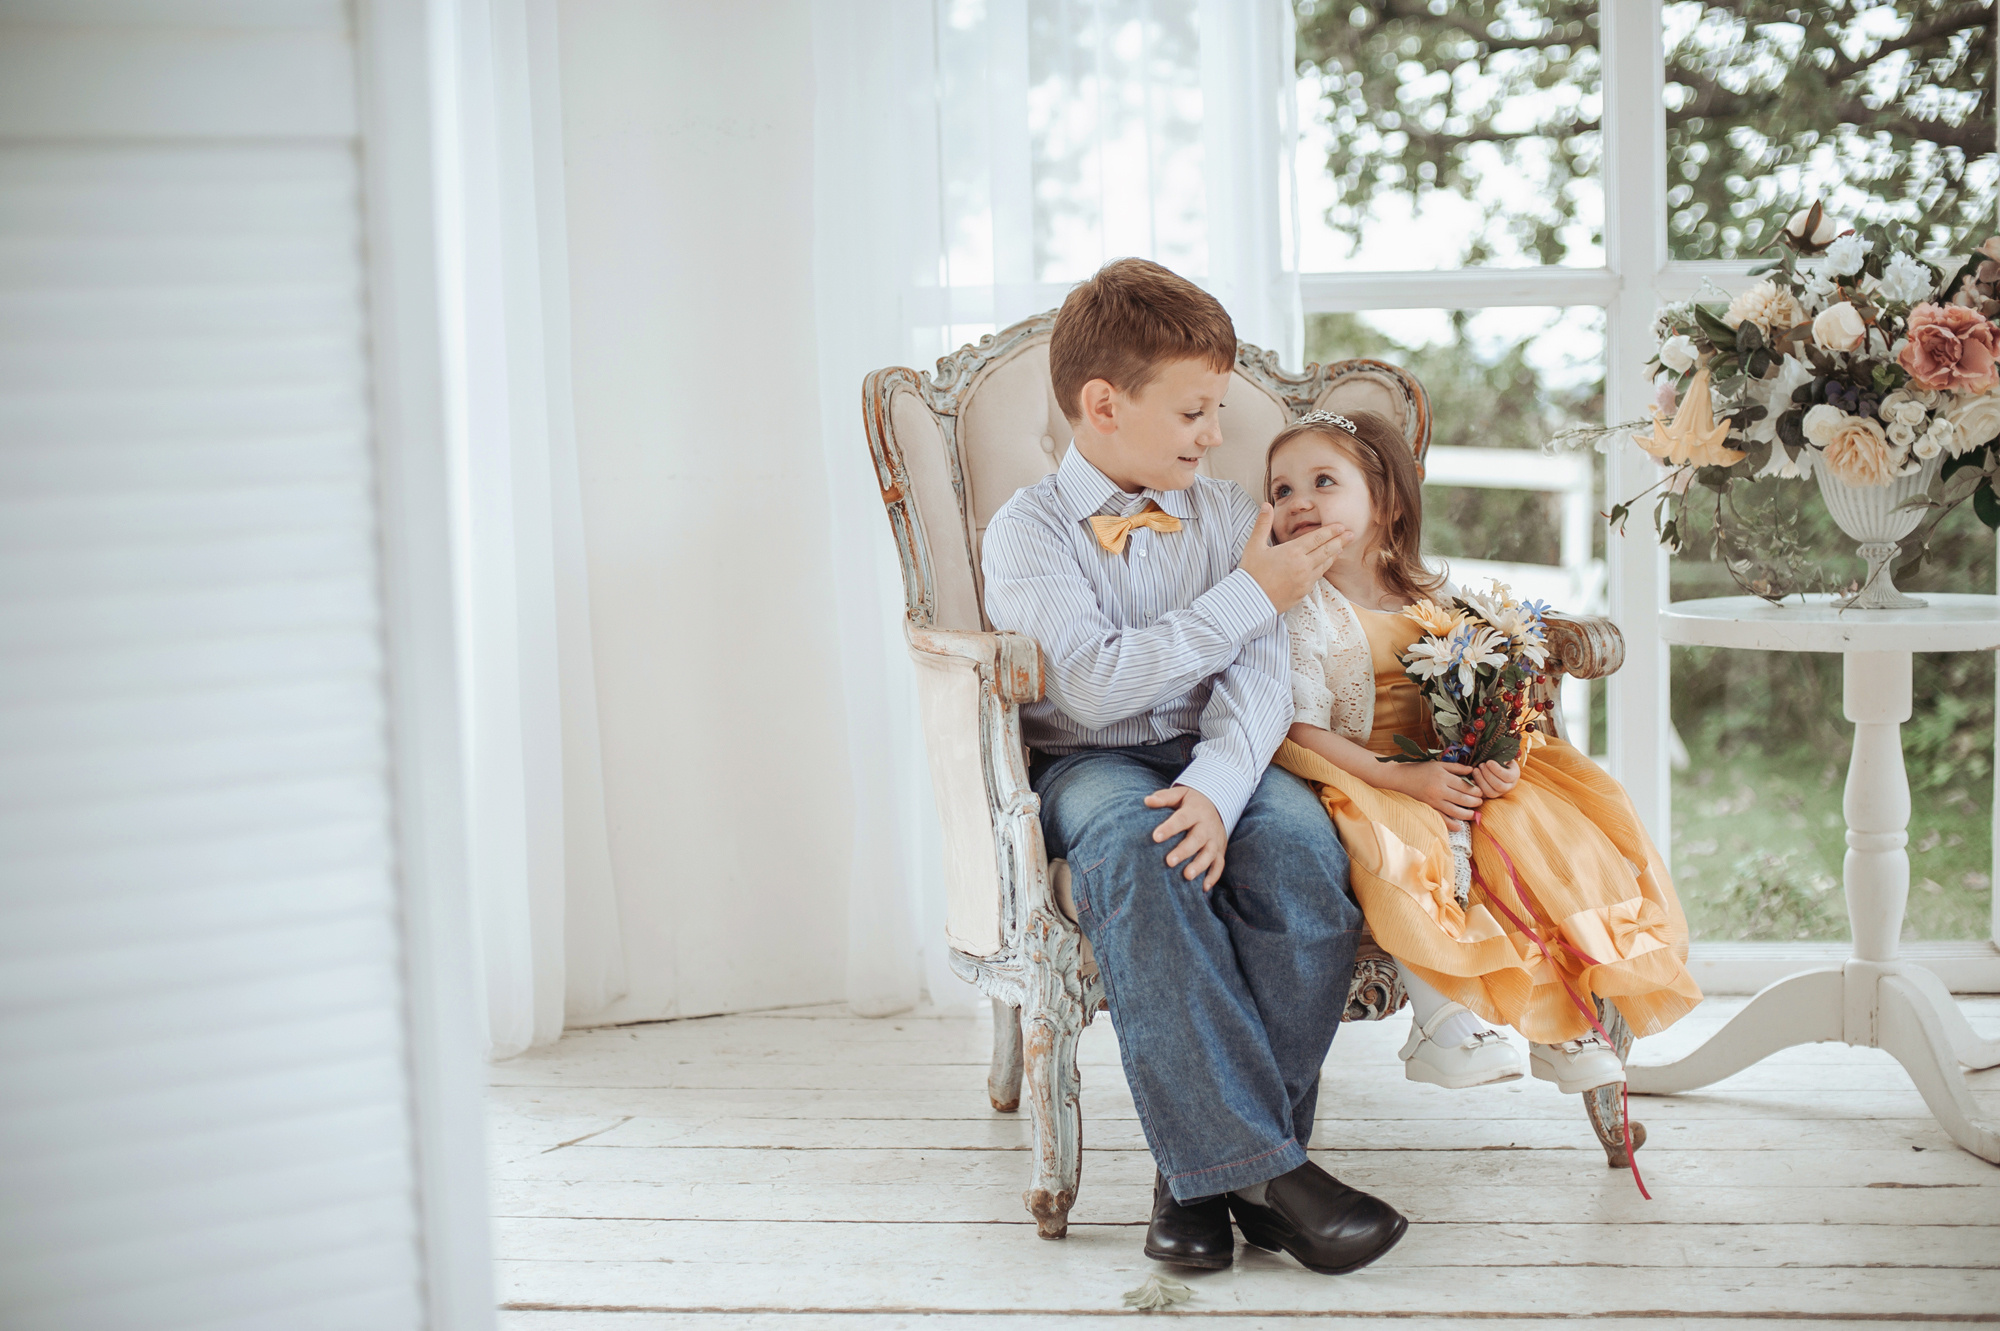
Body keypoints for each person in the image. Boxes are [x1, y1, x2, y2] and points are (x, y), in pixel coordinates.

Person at [981, 259, 1407, 1275]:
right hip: (1091, 763)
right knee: (1145, 850)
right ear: (1103, 405)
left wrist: (1217, 789)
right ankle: (1275, 1178)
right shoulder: (1027, 531)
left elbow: (1260, 680)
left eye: (1215, 409)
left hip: (1228, 754)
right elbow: (1090, 687)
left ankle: (1202, 1181)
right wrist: (1248, 592)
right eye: (1194, 411)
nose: (1216, 434)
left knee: (1301, 853)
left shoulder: (1224, 515)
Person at [1265, 409, 1703, 1099]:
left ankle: (1564, 1020)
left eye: (1323, 481)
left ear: (1386, 503)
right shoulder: (1299, 608)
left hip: (1449, 766)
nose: (1298, 502)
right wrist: (1398, 777)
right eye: (1281, 490)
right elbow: (1296, 727)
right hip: (1360, 772)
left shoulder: (1437, 598)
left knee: (1536, 827)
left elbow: (1498, 692)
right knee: (1408, 839)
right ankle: (1443, 1023)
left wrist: (1500, 753)